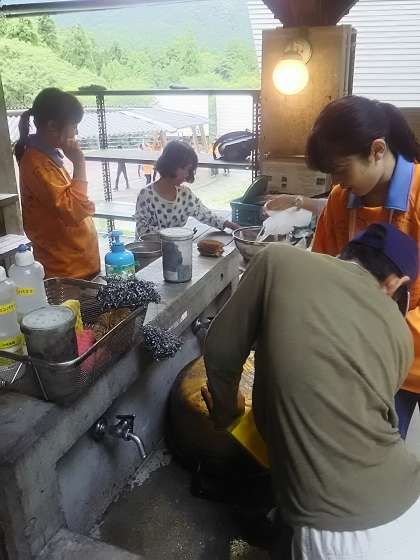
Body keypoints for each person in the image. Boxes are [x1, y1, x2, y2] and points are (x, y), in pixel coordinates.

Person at [203, 223, 420, 560]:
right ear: (397, 285)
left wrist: (226, 410)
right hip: (408, 500)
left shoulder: (278, 260)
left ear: (345, 254)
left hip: (338, 530)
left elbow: (219, 349)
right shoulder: (401, 334)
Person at [306, 95, 420, 439]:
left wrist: (379, 329)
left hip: (408, 350)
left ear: (377, 150)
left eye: (341, 170)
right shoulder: (340, 201)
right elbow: (323, 271)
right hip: (365, 360)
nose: (338, 182)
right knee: (369, 447)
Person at [15, 87, 100, 280]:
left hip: (78, 264)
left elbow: (72, 202)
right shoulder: (37, 163)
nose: (76, 131)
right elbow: (73, 210)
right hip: (66, 270)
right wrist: (79, 162)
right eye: (74, 125)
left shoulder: (48, 157)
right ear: (52, 126)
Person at [134, 140, 239, 239]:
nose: (187, 174)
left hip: (176, 247)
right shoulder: (146, 195)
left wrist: (232, 226)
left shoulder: (185, 194)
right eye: (186, 169)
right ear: (171, 165)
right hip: (150, 250)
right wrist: (177, 235)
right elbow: (143, 232)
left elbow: (205, 214)